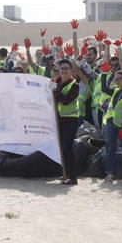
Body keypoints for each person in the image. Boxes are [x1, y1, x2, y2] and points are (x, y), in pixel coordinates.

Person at [53, 57, 84, 186]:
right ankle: (65, 173)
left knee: (67, 148)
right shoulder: (56, 81)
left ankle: (73, 177)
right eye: (62, 69)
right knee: (61, 148)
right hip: (59, 120)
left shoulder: (75, 85)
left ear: (71, 70)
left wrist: (55, 91)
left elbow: (66, 100)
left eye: (66, 69)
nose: (64, 71)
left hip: (71, 120)